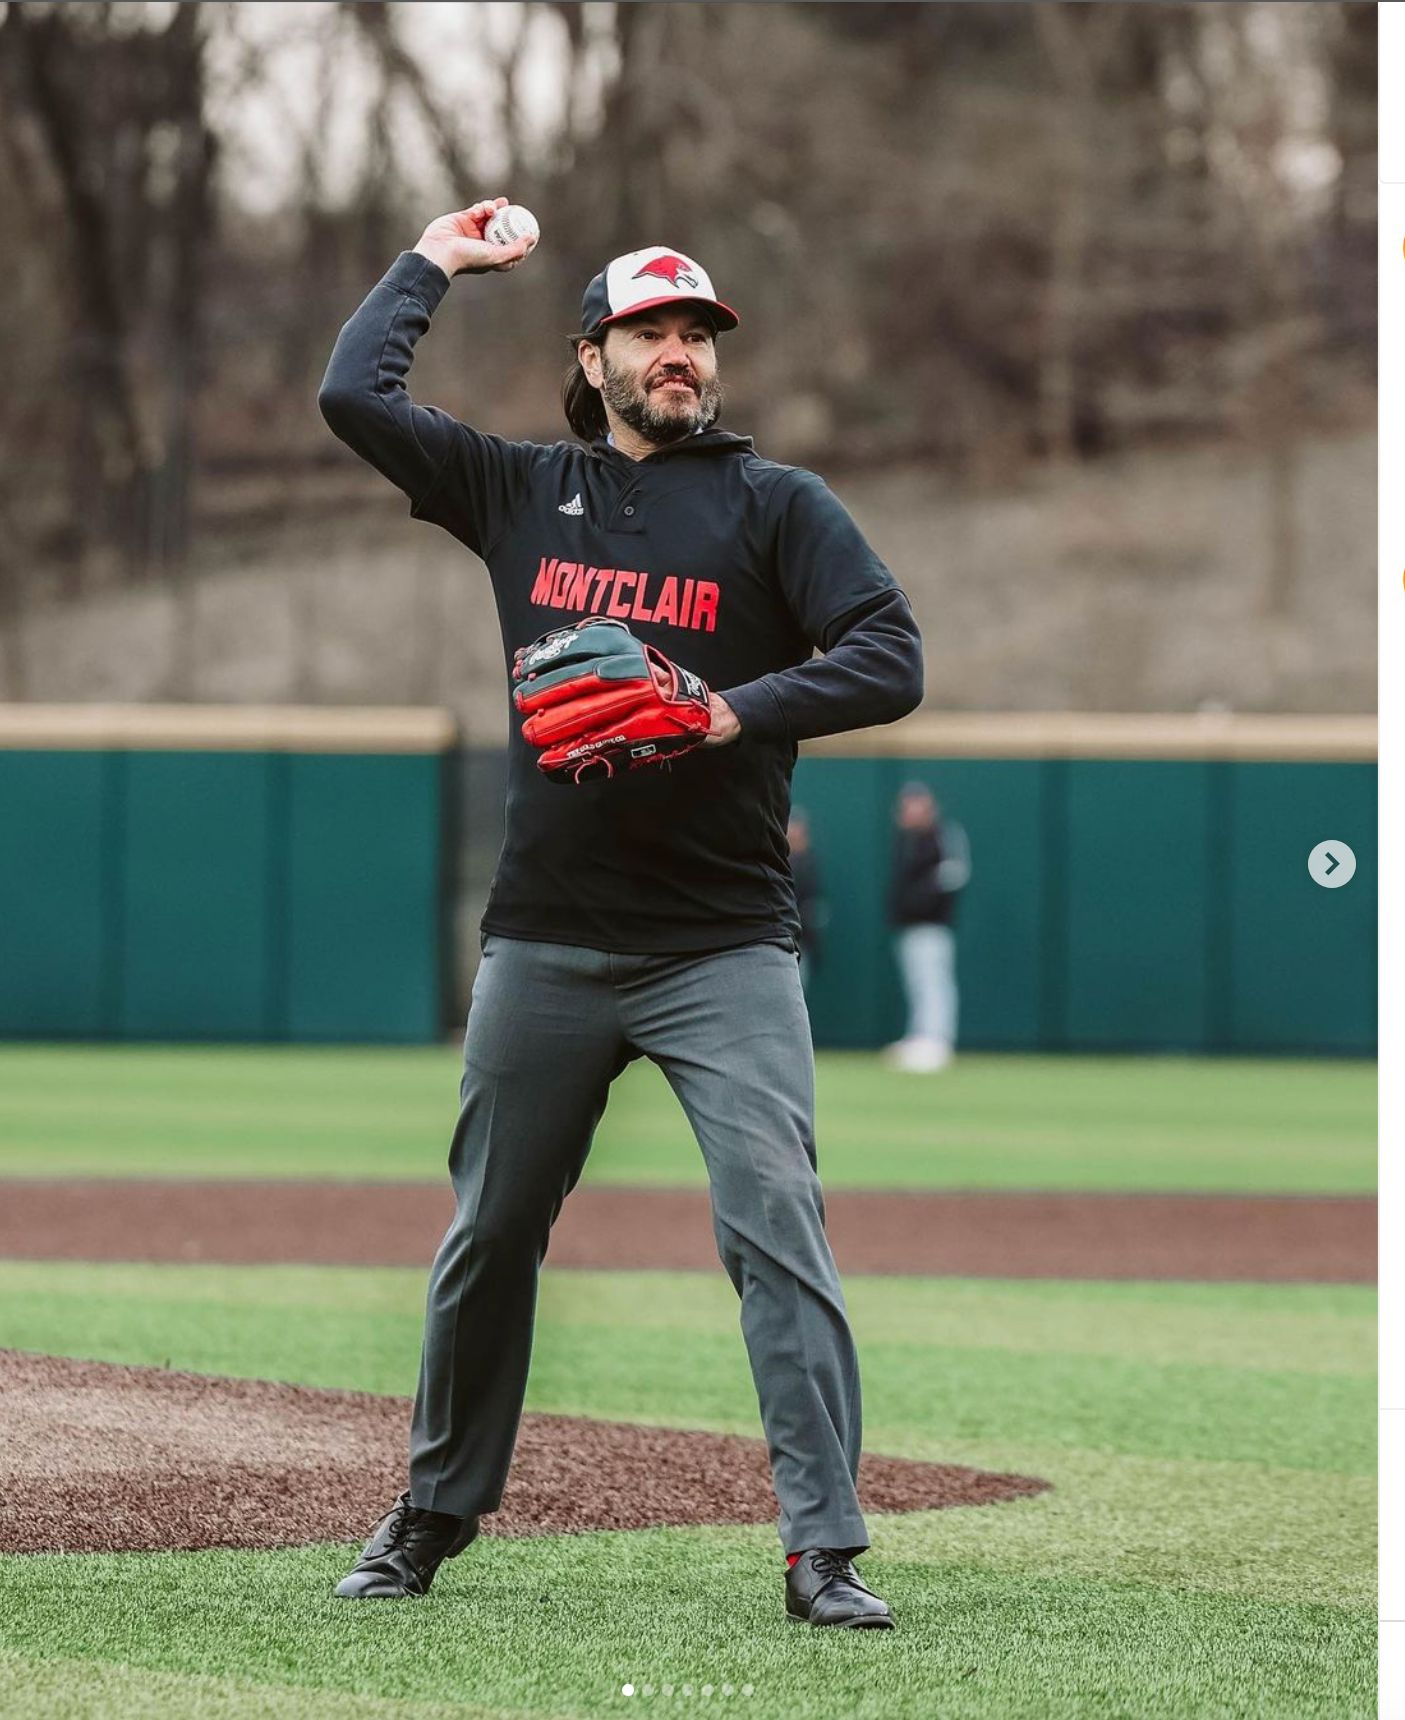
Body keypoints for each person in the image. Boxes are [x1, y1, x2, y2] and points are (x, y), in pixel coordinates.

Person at [316, 199, 920, 1630]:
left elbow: (889, 656)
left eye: (695, 334)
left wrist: (728, 711)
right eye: (649, 331)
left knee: (776, 1223)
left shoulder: (778, 507)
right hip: (548, 940)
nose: (678, 354)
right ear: (593, 358)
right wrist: (432, 264)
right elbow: (354, 394)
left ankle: (821, 1546)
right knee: (489, 1233)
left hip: (723, 945)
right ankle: (432, 1512)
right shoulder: (519, 491)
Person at [885, 783, 968, 1072]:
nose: (910, 812)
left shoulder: (942, 836)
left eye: (916, 806)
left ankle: (937, 1040)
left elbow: (951, 877)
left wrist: (923, 903)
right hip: (908, 926)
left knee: (934, 982)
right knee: (917, 984)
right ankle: (920, 1037)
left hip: (933, 926)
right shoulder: (904, 840)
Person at [785, 808, 828, 973]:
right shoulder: (778, 861)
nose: (794, 834)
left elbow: (812, 902)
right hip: (780, 938)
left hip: (802, 939)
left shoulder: (809, 862)